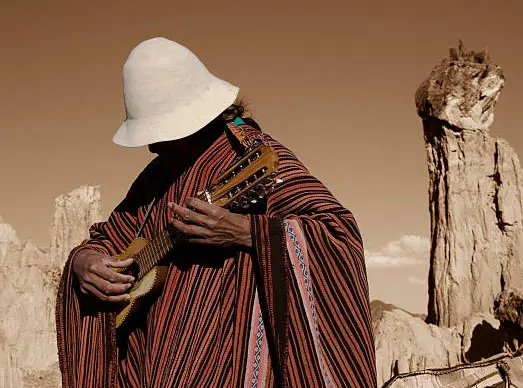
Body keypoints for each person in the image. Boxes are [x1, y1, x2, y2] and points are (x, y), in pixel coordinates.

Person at [56, 37, 377, 388]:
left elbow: (337, 234)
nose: (151, 146)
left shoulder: (256, 158)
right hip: (153, 365)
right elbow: (111, 235)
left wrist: (245, 231)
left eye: (160, 134)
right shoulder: (157, 175)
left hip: (232, 364)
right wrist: (85, 261)